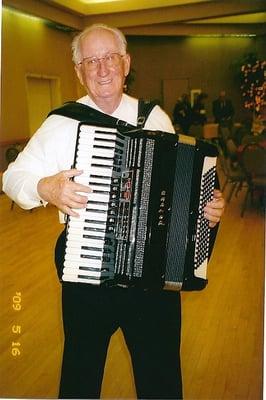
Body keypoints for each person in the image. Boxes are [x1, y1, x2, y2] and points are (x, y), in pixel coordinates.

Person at [2, 23, 225, 399]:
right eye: (92, 61)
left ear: (126, 63)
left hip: (152, 281)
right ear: (79, 71)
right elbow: (11, 177)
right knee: (80, 379)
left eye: (110, 58)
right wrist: (46, 187)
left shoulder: (156, 118)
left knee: (162, 380)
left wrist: (206, 209)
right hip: (88, 278)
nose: (103, 69)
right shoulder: (60, 123)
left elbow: (180, 196)